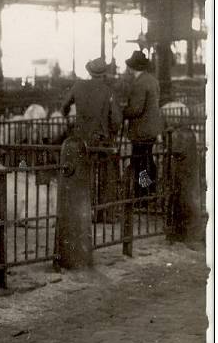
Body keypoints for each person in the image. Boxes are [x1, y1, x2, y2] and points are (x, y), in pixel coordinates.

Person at [62, 57, 122, 221]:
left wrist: (70, 122)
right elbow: (116, 119)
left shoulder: (78, 86)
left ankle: (83, 210)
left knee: (82, 173)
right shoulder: (108, 91)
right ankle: (105, 213)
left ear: (89, 71)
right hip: (101, 139)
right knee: (105, 174)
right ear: (104, 74)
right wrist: (113, 132)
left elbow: (64, 106)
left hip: (80, 138)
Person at [122, 50, 164, 198]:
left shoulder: (139, 83)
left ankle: (143, 193)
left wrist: (122, 112)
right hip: (152, 128)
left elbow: (136, 109)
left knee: (140, 162)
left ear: (132, 67)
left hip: (141, 130)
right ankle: (150, 190)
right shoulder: (152, 80)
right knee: (148, 159)